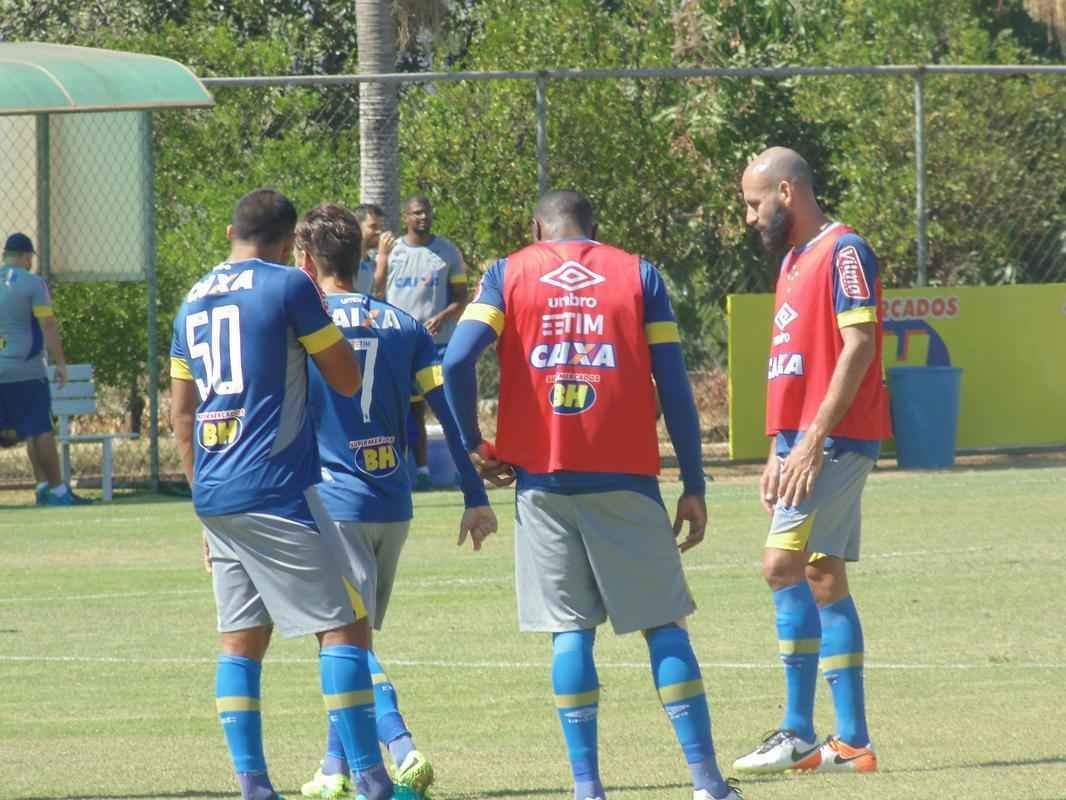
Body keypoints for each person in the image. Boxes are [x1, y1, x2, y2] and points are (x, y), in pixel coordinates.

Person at [443, 190, 741, 800]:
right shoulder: (637, 272)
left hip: (542, 483)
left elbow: (453, 363)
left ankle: (587, 788)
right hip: (625, 477)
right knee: (664, 626)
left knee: (570, 633)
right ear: (594, 228)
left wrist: (476, 441)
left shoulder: (506, 272)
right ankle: (708, 785)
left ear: (538, 227)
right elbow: (675, 386)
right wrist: (693, 482)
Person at [169, 189, 411, 800]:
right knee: (347, 628)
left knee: (240, 642)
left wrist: (203, 502)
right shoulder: (288, 287)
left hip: (216, 492)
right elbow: (347, 377)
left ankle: (255, 786)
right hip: (277, 486)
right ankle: (372, 779)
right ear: (286, 245)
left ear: (230, 231)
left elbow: (181, 411)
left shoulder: (190, 302)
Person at [292, 203, 496, 799]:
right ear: (361, 258)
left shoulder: (303, 325)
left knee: (340, 642)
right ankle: (334, 769)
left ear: (306, 261)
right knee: (350, 639)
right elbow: (449, 415)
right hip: (392, 504)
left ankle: (401, 750)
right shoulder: (404, 326)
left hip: (332, 502)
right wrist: (474, 494)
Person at [732, 147, 891, 775]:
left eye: (753, 203)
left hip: (835, 440)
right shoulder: (794, 260)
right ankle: (851, 743)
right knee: (822, 573)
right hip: (800, 440)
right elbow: (794, 365)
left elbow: (858, 345)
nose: (749, 217)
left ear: (787, 192)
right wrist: (779, 442)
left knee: (780, 566)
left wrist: (809, 440)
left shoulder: (844, 251)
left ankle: (797, 731)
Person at [0, 232, 91, 506]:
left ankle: (41, 486)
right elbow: (47, 325)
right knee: (40, 427)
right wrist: (61, 363)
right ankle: (58, 491)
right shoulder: (33, 284)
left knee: (25, 429)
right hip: (26, 369)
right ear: (27, 257)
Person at [384, 195, 468, 491]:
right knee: (409, 411)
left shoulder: (446, 251)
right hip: (400, 346)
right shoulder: (391, 251)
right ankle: (418, 472)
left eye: (427, 213)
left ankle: (463, 470)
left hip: (437, 345)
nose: (423, 218)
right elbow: (378, 291)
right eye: (417, 213)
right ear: (405, 217)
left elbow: (461, 297)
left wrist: (443, 317)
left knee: (447, 407)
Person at [351, 203, 396, 298]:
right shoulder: (348, 261)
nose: (379, 232)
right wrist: (383, 256)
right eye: (373, 226)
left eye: (381, 227)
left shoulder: (371, 264)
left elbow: (380, 296)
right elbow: (376, 292)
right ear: (357, 226)